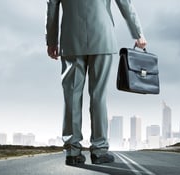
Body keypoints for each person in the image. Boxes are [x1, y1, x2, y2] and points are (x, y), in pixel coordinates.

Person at [45, 0, 147, 165]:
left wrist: (51, 41)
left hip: (71, 39)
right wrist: (138, 33)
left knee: (71, 96)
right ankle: (99, 151)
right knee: (98, 96)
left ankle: (72, 152)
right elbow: (125, 4)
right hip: (102, 37)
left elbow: (52, 6)